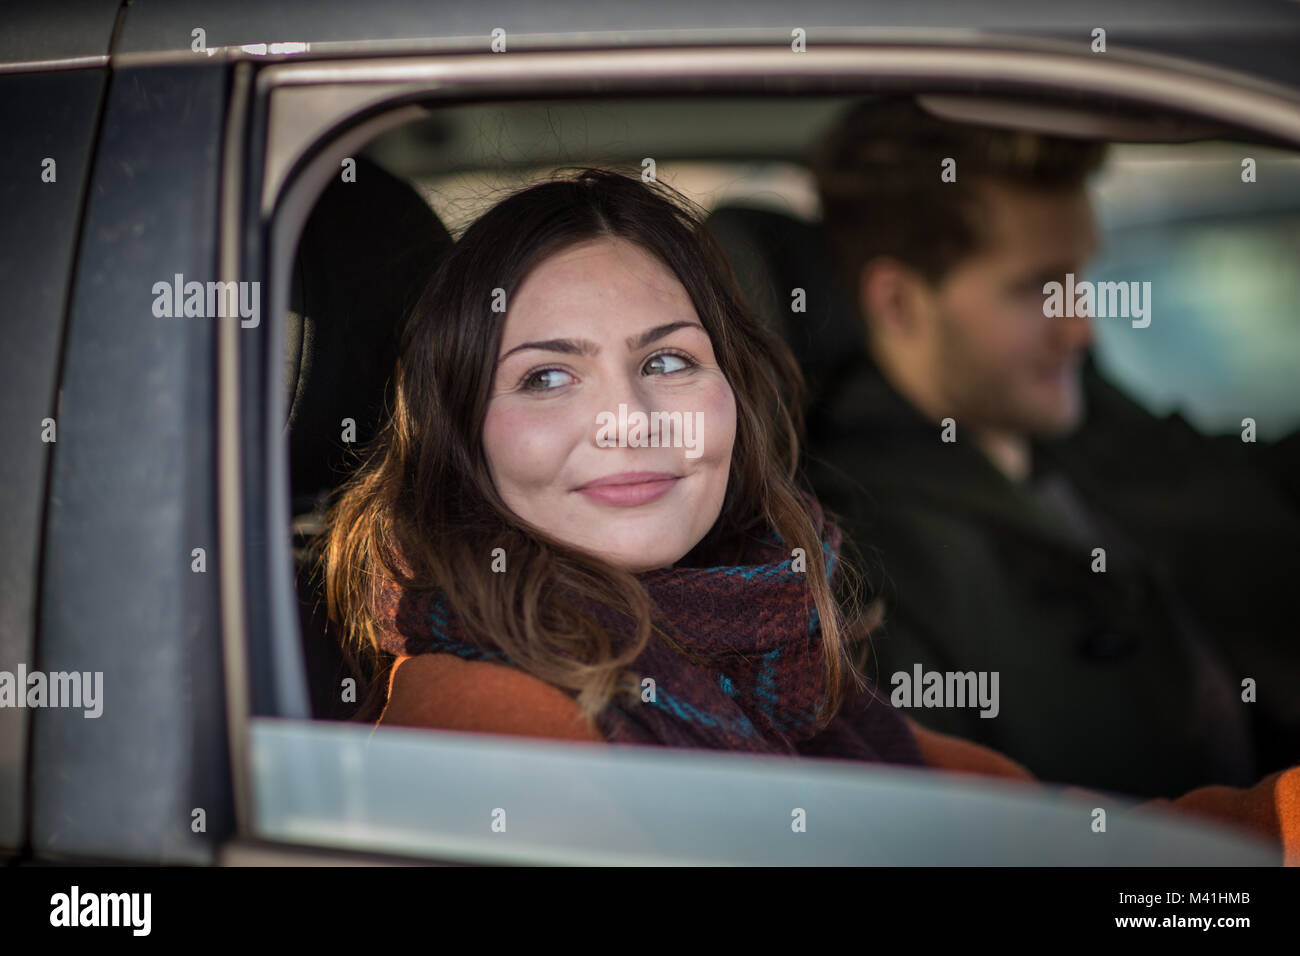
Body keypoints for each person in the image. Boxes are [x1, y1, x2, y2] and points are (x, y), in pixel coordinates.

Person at [317, 167, 1298, 863]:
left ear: (734, 398)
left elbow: (1063, 837)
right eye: (544, 375)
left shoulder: (768, 664)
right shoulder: (485, 732)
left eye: (666, 360)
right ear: (461, 434)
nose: (627, 418)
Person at [803, 97, 1300, 800]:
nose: (1082, 331)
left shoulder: (1084, 421)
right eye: (1039, 288)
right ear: (898, 302)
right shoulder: (856, 559)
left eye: (1080, 279)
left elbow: (1248, 479)